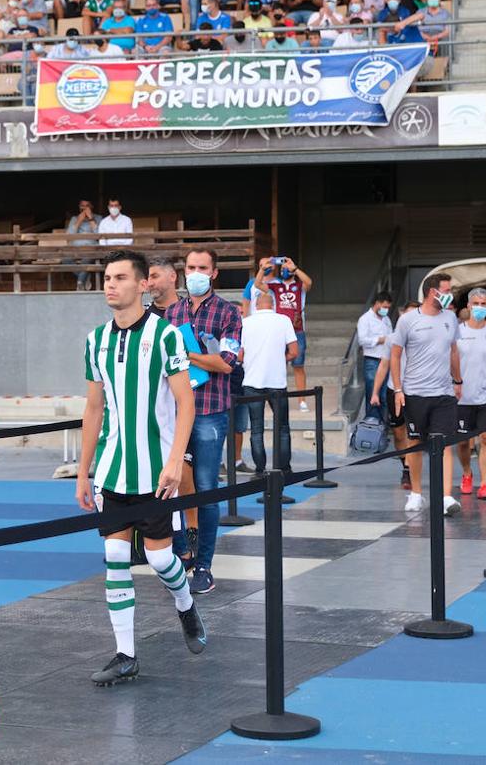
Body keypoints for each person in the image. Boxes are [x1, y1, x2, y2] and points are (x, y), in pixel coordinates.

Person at [76, 249, 204, 686]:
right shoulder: (95, 340)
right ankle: (126, 654)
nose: (110, 284)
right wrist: (83, 471)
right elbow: (93, 410)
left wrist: (174, 461)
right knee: (113, 556)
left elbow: (187, 402)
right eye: (106, 277)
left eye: (119, 277)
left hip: (155, 469)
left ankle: (185, 604)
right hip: (113, 470)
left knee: (160, 558)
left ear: (141, 284)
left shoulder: (166, 336)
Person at [164, 248, 241, 594]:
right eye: (190, 267)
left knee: (208, 489)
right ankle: (181, 551)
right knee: (172, 482)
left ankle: (205, 565)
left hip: (210, 410)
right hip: (175, 411)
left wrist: (186, 353)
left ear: (214, 273)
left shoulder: (229, 312)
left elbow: (226, 362)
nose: (195, 272)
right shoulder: (173, 311)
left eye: (202, 268)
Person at [390, 272, 462, 516]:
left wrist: (458, 380)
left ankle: (446, 497)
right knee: (416, 443)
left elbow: (453, 351)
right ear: (434, 292)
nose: (450, 293)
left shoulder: (450, 318)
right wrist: (398, 389)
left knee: (444, 444)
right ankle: (417, 493)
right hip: (415, 392)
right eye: (447, 289)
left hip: (443, 393)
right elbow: (396, 355)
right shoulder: (408, 320)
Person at [455, 288, 486, 500]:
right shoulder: (457, 332)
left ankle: (485, 484)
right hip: (461, 396)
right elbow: (450, 361)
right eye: (475, 303)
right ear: (468, 306)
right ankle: (467, 473)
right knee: (463, 442)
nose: (479, 307)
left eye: (483, 304)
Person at [240, 291, 298, 474]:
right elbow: (294, 351)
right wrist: (281, 360)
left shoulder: (246, 322)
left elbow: (240, 354)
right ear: (273, 304)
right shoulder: (283, 320)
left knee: (256, 429)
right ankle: (284, 467)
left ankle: (260, 469)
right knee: (282, 427)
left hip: (251, 380)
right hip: (277, 381)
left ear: (256, 305)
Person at [371, 301, 421, 488]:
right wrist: (375, 392)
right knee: (399, 433)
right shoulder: (392, 339)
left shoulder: (423, 336)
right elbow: (384, 365)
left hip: (417, 390)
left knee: (413, 432)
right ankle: (405, 466)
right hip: (394, 389)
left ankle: (409, 470)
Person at [254, 256, 312, 410]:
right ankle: (280, 399)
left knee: (298, 366)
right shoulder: (275, 287)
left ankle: (302, 400)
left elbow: (309, 282)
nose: (284, 270)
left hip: (297, 330)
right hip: (278, 331)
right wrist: (262, 269)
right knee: (279, 365)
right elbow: (257, 284)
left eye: (287, 268)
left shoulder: (299, 286)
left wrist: (295, 268)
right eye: (283, 268)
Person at [355, 291, 393, 423]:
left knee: (384, 395)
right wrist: (380, 340)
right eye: (384, 307)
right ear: (377, 303)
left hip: (386, 360)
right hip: (372, 359)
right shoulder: (365, 319)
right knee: (373, 393)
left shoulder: (386, 319)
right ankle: (372, 425)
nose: (386, 310)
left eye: (388, 308)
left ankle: (383, 425)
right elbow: (362, 340)